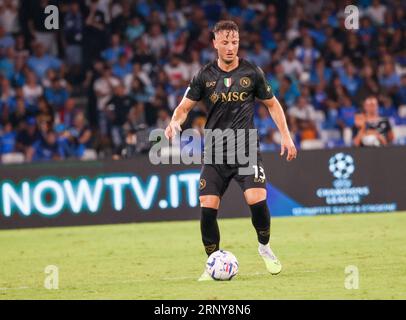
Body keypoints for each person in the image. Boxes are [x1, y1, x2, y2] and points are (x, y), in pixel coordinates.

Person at [164, 21, 297, 281]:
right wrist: (174, 122)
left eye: (234, 42)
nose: (230, 47)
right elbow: (183, 108)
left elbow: (272, 104)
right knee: (207, 207)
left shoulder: (252, 72)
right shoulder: (204, 75)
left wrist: (286, 136)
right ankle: (212, 261)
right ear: (214, 43)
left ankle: (265, 247)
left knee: (257, 201)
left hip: (245, 148)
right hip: (215, 151)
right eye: (224, 42)